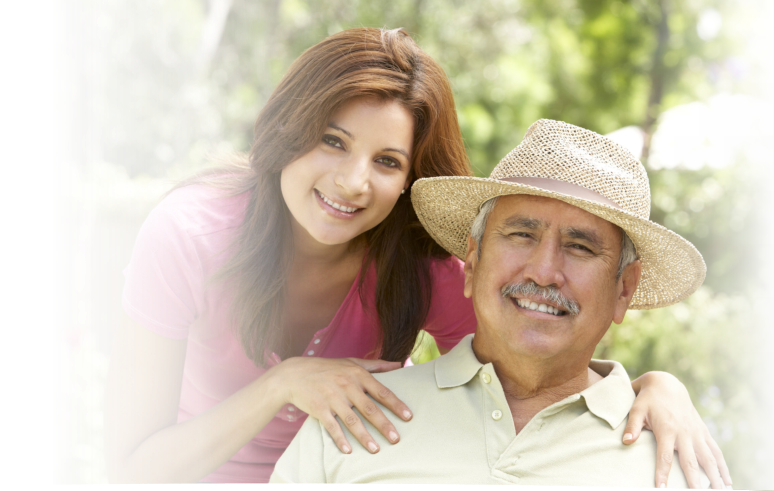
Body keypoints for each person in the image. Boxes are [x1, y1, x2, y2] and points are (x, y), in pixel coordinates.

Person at [103, 28, 729, 485]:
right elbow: (130, 469)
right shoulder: (188, 235)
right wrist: (283, 384)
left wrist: (652, 385)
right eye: (332, 140)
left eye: (387, 161)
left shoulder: (420, 264)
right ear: (288, 131)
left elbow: (528, 353)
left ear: (408, 179)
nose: (352, 182)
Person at [270, 119, 730, 487]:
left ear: (624, 289)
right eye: (521, 234)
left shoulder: (677, 460)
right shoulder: (351, 419)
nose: (543, 271)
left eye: (581, 247)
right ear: (471, 261)